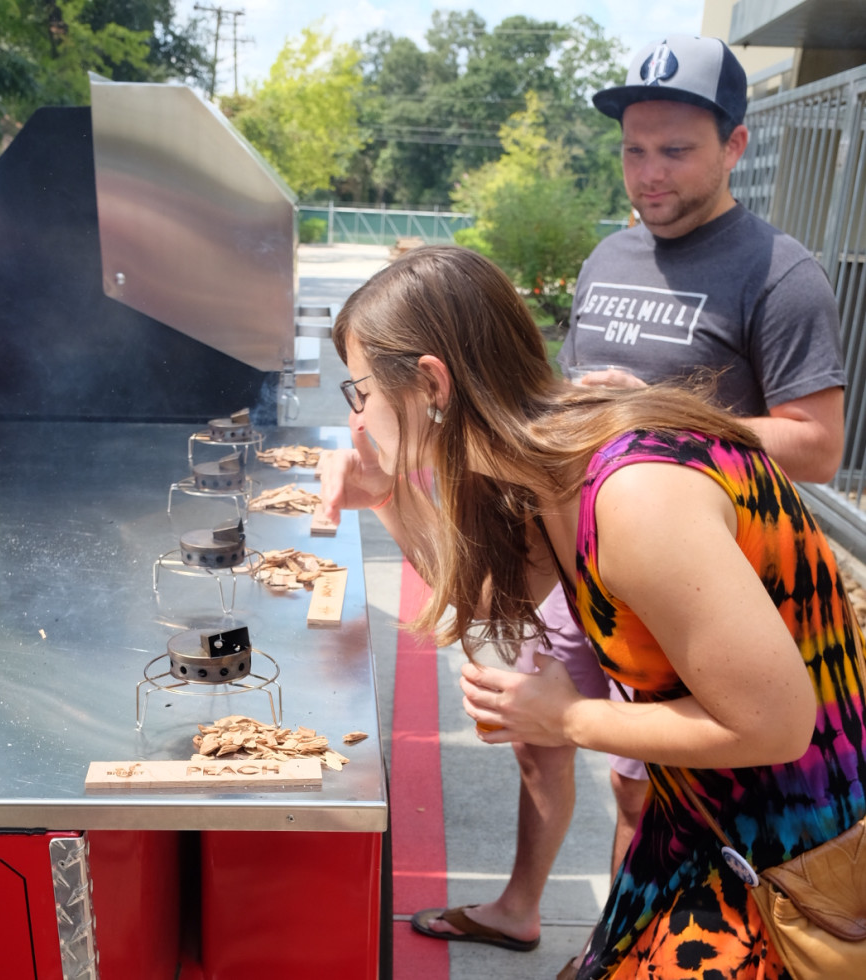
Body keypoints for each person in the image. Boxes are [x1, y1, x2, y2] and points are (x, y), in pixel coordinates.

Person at [317, 242, 865, 980]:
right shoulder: (554, 453)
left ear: (430, 383)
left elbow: (774, 724)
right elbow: (489, 597)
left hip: (789, 858)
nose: (355, 419)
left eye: (358, 394)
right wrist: (388, 496)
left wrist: (566, 719)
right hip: (704, 822)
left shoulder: (635, 493)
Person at [408, 33, 847, 953]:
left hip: (685, 579)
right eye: (633, 149)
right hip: (581, 560)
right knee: (537, 739)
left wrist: (648, 422)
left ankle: (639, 936)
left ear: (735, 146)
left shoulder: (781, 272)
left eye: (675, 151)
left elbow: (816, 446)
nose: (648, 174)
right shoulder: (611, 255)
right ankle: (523, 908)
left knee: (645, 782)